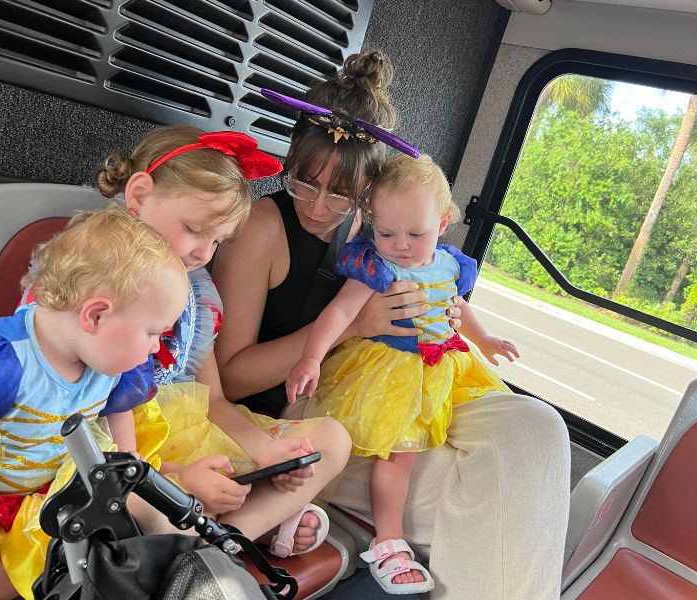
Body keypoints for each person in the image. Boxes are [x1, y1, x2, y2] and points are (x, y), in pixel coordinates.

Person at [212, 47, 571, 599]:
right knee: (481, 495)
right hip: (307, 408)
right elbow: (232, 379)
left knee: (536, 427)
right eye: (304, 183)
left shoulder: (379, 228)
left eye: (341, 193)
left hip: (407, 378)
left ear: (369, 191)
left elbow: (429, 269)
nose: (318, 206)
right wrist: (355, 327)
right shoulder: (262, 225)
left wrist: (447, 316)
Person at [95, 126, 352, 559]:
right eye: (195, 230)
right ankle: (201, 527)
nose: (203, 253)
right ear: (138, 196)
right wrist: (181, 478)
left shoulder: (195, 295)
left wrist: (267, 451)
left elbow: (212, 400)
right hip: (118, 449)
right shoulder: (93, 280)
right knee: (151, 505)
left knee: (332, 439)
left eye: (216, 241)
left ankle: (223, 540)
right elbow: (80, 419)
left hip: (189, 434)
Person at [286, 153, 520, 593]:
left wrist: (484, 340)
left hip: (442, 362)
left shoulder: (449, 263)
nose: (401, 244)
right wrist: (312, 357)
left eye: (416, 233)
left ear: (445, 221)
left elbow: (458, 305)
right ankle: (387, 540)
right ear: (371, 221)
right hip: (388, 369)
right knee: (398, 453)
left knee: (464, 427)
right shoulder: (379, 264)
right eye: (386, 232)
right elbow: (339, 313)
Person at [0, 207, 190, 600]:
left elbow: (123, 439)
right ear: (96, 315)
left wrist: (132, 472)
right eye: (152, 332)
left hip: (46, 499)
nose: (155, 348)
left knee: (154, 512)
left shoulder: (107, 362)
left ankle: (199, 574)